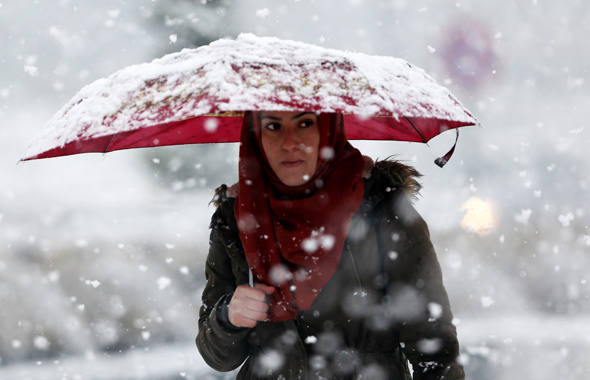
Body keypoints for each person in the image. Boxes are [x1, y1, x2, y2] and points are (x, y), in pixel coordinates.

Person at [196, 110, 464, 380]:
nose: (289, 142)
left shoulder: (381, 211)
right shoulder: (236, 220)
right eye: (273, 126)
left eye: (304, 123)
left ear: (329, 129)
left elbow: (435, 351)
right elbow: (218, 358)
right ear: (255, 137)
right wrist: (227, 318)